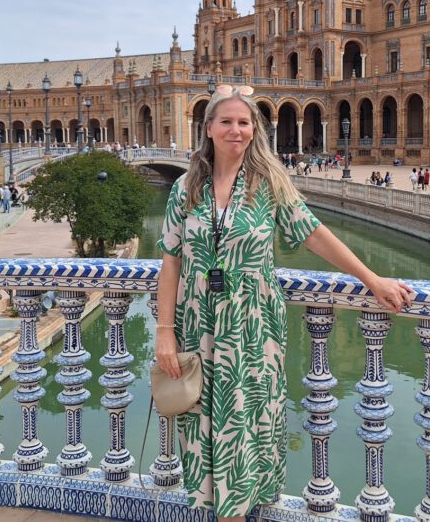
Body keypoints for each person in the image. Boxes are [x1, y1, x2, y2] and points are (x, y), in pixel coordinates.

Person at [155, 84, 414, 521]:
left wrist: (370, 278)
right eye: (227, 122)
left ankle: (234, 513)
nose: (236, 130)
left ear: (255, 129)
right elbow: (170, 262)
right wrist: (164, 332)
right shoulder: (187, 188)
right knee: (199, 425)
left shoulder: (270, 183)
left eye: (244, 122)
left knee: (246, 428)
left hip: (253, 328)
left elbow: (313, 234)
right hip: (197, 327)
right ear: (209, 128)